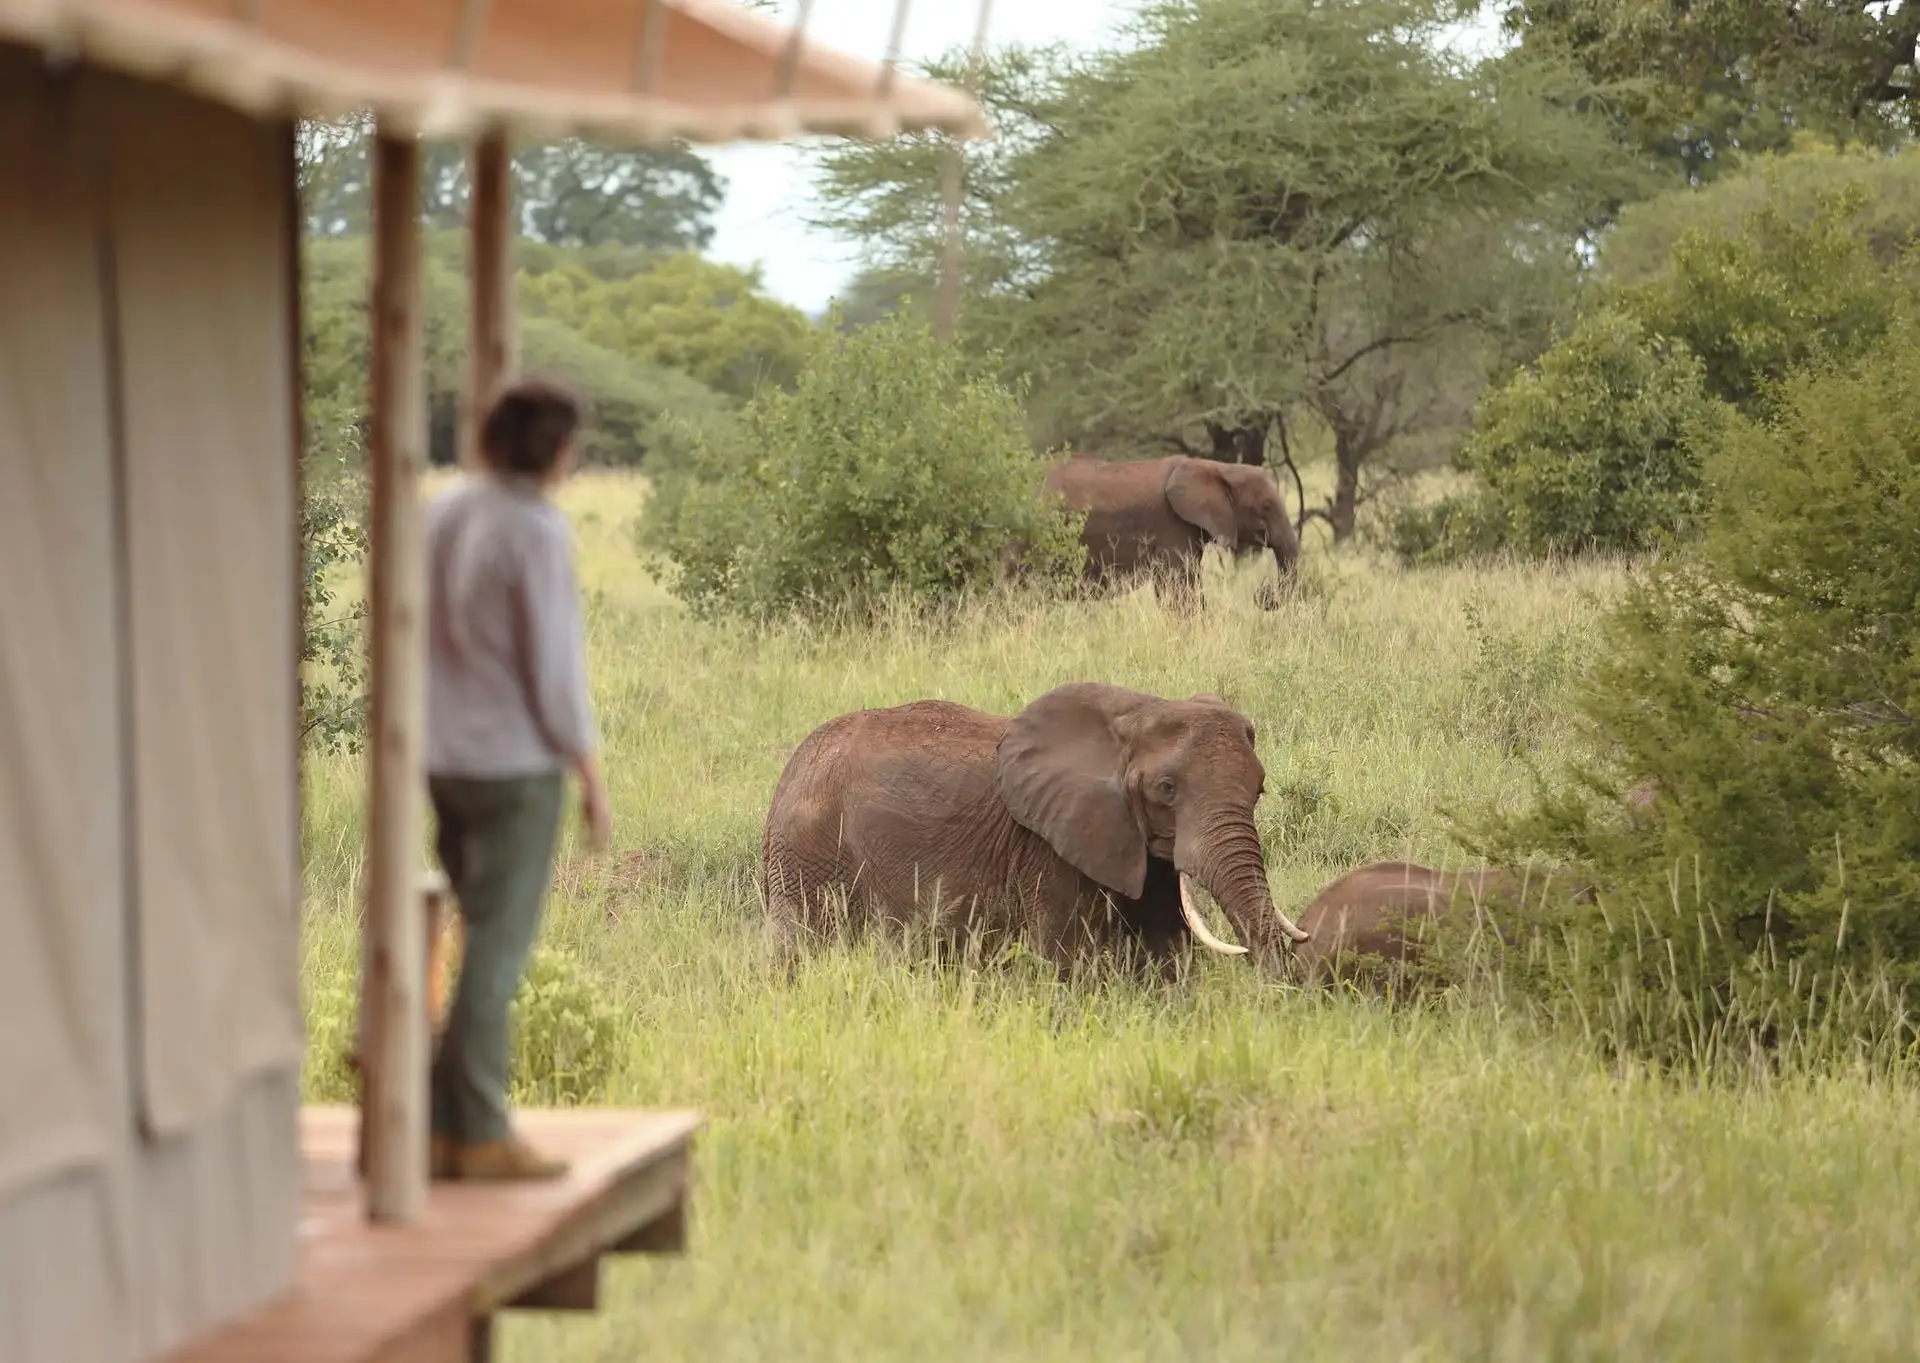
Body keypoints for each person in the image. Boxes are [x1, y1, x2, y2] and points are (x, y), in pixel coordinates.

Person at [422, 376, 611, 1181]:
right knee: (495, 955)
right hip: (515, 768)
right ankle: (482, 1130)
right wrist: (591, 772)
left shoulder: (446, 507)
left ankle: (439, 1127)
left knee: (472, 937)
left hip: (443, 759)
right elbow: (556, 670)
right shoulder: (536, 528)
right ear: (557, 450)